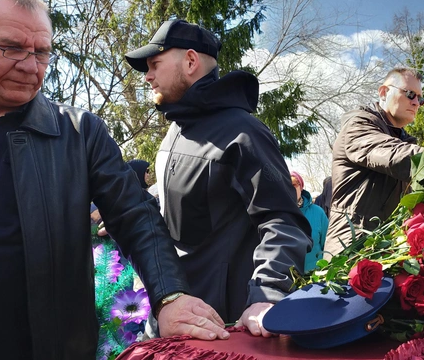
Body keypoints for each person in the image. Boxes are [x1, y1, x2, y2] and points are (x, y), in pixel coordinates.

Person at [0, 0, 228, 360]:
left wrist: (169, 295)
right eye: (12, 48)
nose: (32, 66)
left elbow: (137, 216)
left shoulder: (79, 132)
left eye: (43, 52)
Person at [125, 19, 312, 337]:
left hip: (225, 331)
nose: (148, 76)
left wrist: (268, 294)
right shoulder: (174, 131)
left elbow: (283, 221)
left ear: (190, 61)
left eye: (155, 64)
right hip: (170, 320)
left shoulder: (245, 133)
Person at [323, 67, 424, 257]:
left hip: (386, 247)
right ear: (384, 92)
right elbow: (394, 155)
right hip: (350, 246)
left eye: (421, 98)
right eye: (410, 94)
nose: (416, 103)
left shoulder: (405, 140)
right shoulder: (358, 125)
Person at [290, 171, 329, 272]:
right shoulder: (278, 214)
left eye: (293, 184)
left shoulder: (318, 212)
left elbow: (328, 245)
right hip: (287, 278)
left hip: (314, 276)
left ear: (301, 187)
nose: (289, 188)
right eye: (286, 184)